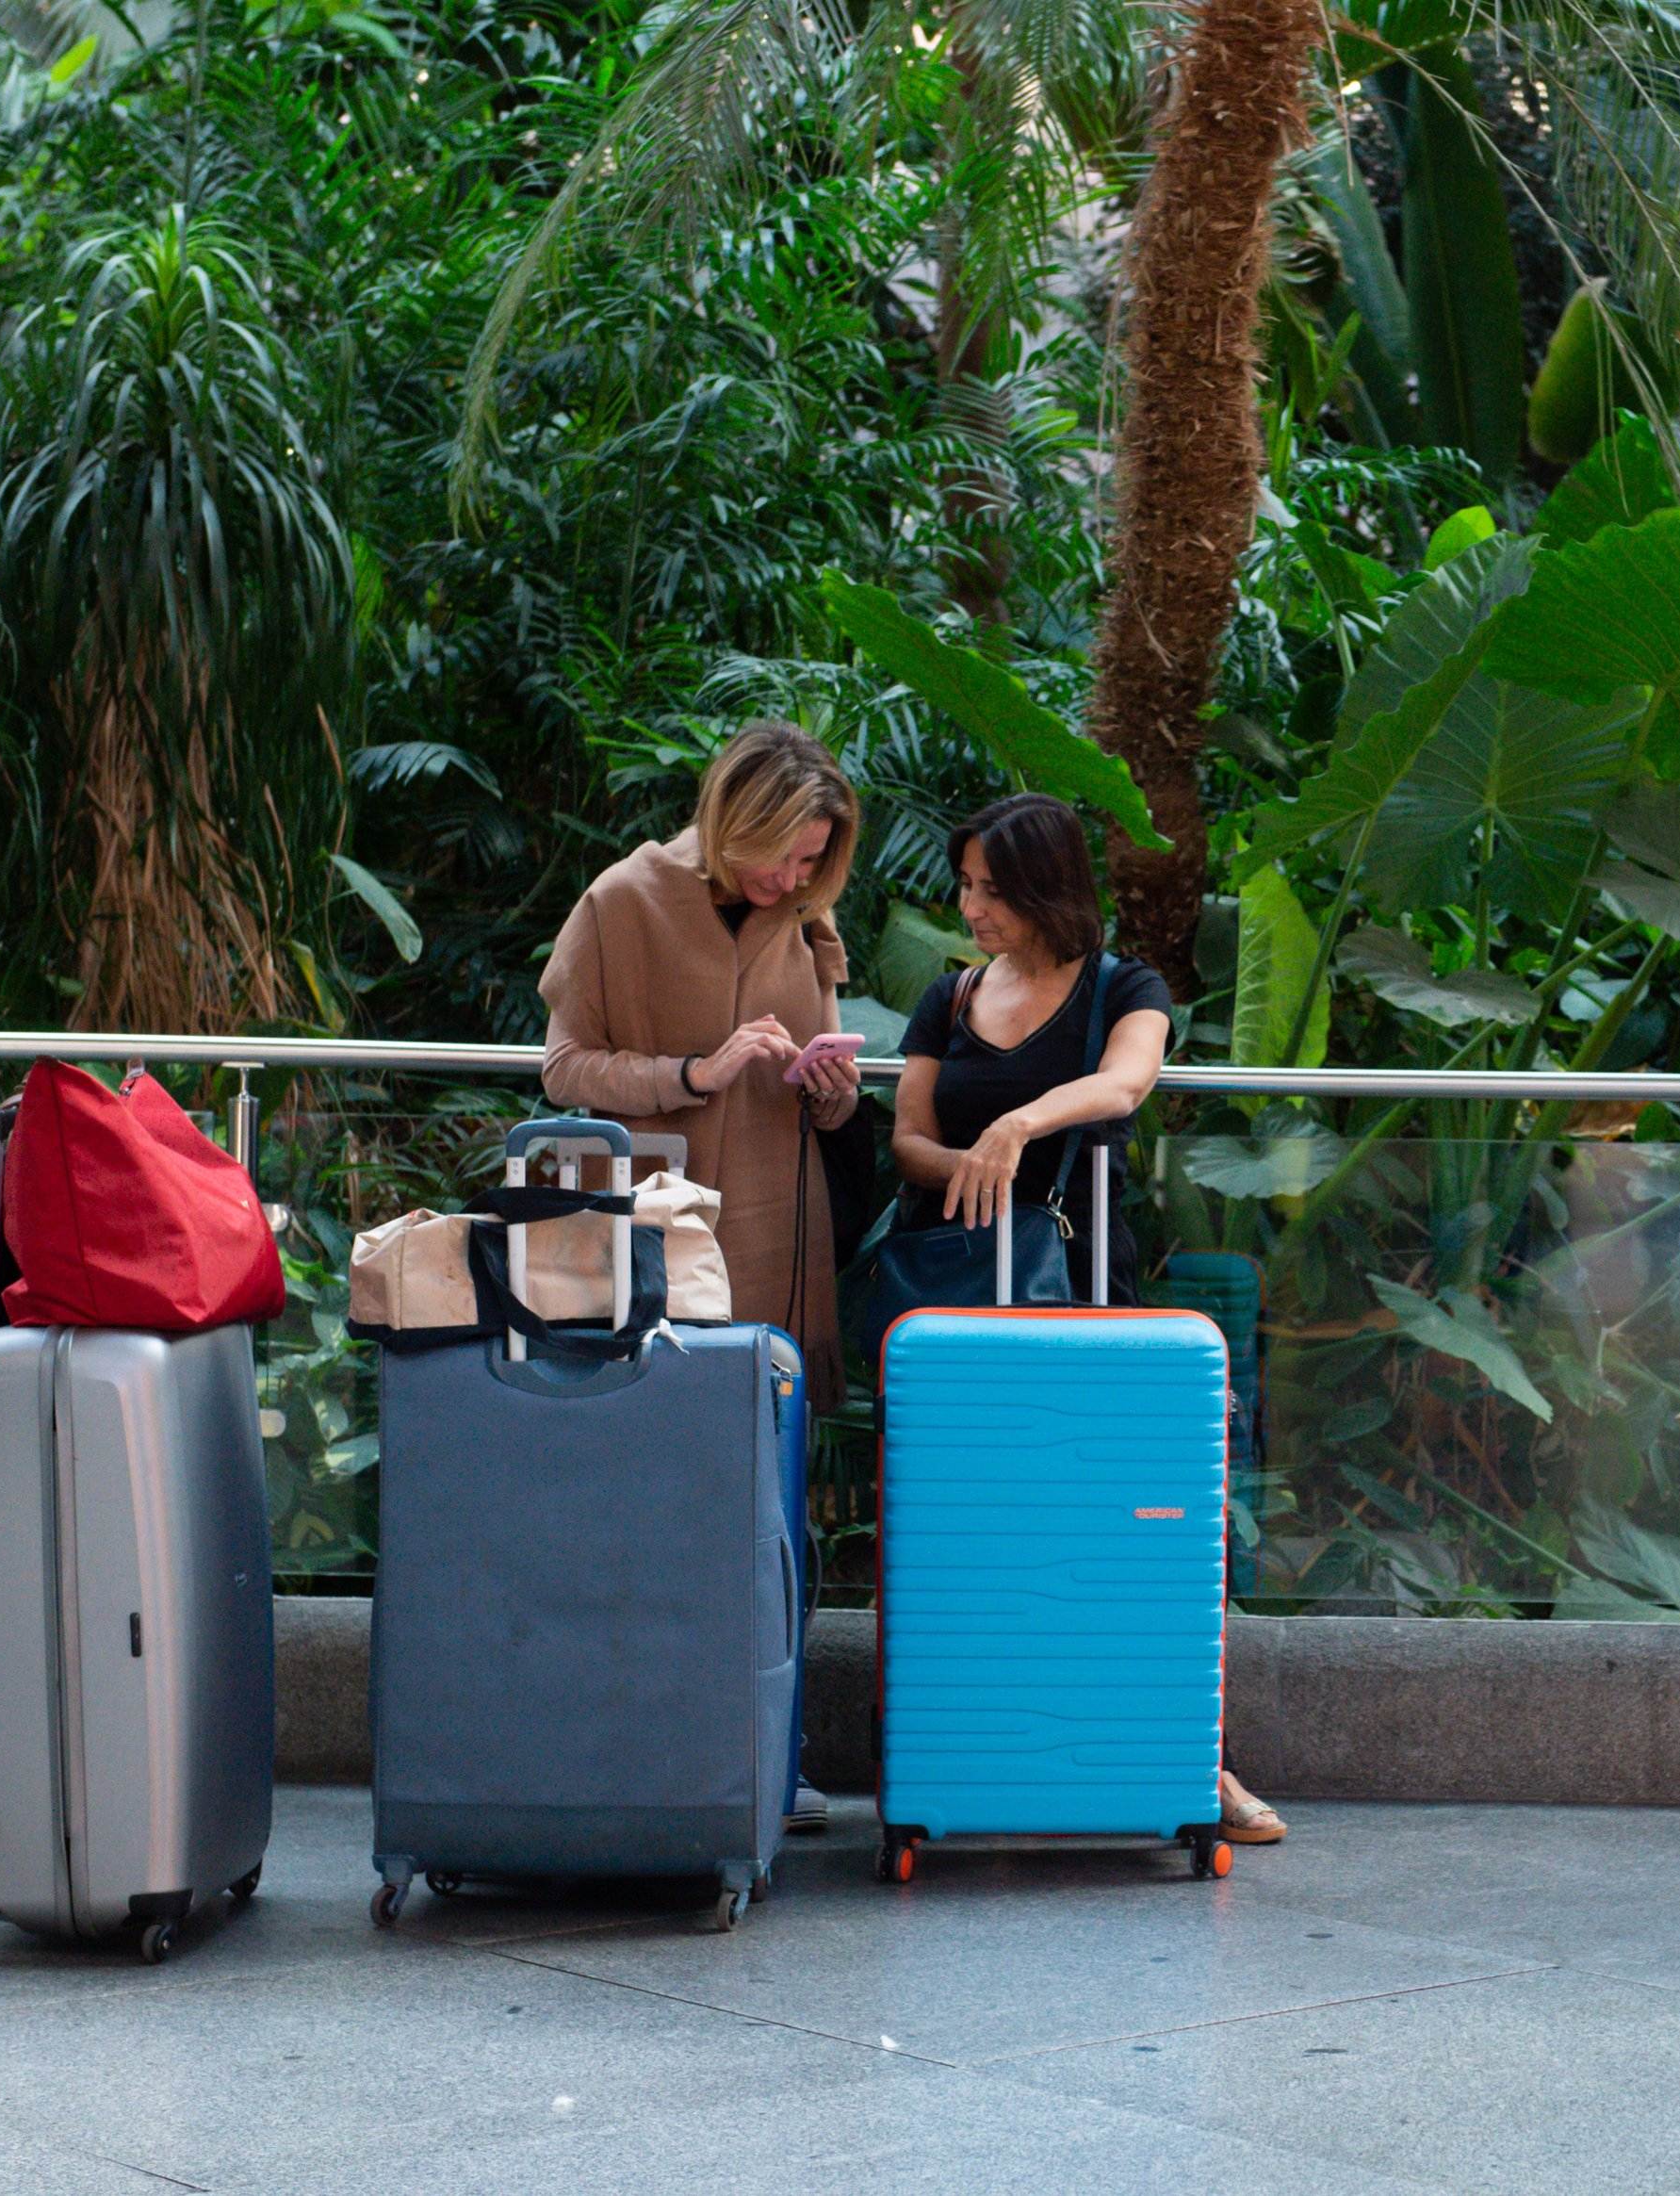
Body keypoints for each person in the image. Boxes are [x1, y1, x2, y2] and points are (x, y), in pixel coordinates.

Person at [889, 791, 1288, 1847]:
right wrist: (970, 1166)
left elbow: (1125, 1082)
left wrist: (1019, 1121)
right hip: (958, 1308)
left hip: (1083, 1299)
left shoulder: (1122, 985)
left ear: (1044, 888)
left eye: (991, 889)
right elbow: (908, 1135)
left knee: (1111, 1530)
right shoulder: (949, 994)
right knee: (966, 1527)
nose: (969, 906)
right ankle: (971, 1751)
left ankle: (1191, 1759)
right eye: (965, 885)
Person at [540, 718, 863, 1835]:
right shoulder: (623, 900)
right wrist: (694, 1071)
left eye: (816, 859)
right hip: (651, 1245)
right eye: (787, 853)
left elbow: (832, 1094)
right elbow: (565, 1064)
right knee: (647, 1486)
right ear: (735, 820)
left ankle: (774, 1748)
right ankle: (639, 1740)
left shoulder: (807, 920)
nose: (797, 876)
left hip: (775, 1237)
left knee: (775, 1497)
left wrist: (827, 1081)